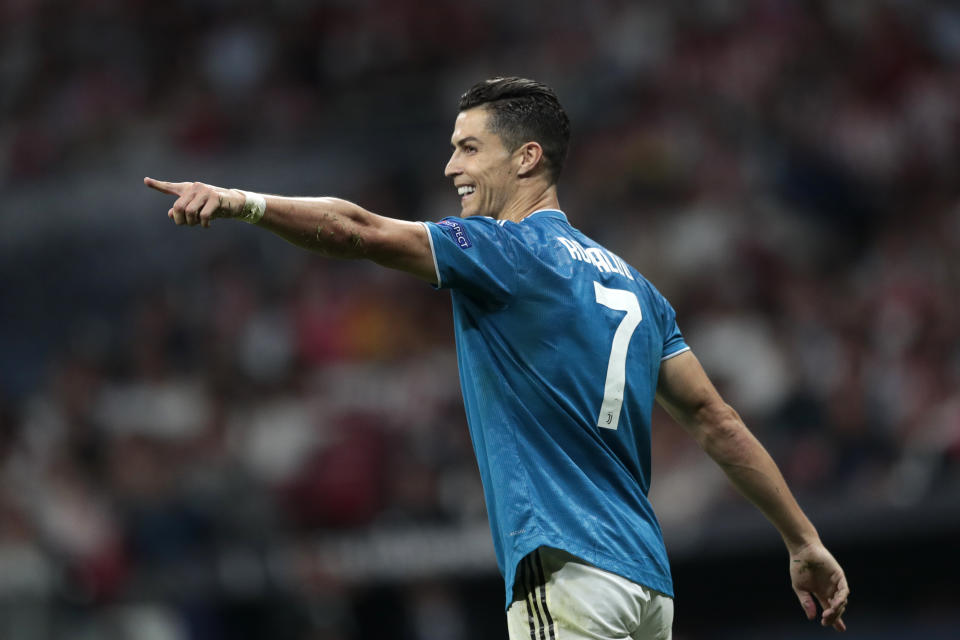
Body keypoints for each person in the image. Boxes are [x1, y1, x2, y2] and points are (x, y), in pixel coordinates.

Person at [145, 77, 848, 639]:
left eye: (469, 148)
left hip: (568, 573)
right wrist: (802, 539)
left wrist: (242, 202)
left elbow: (356, 231)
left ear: (527, 158)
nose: (451, 166)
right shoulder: (637, 287)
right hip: (646, 590)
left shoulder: (510, 254)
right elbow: (716, 421)